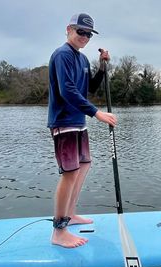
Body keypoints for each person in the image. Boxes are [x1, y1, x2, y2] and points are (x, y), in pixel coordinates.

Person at [47, 13, 116, 248]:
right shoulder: (62, 55)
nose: (85, 37)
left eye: (88, 34)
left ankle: (71, 214)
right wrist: (97, 113)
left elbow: (89, 89)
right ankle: (58, 231)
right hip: (64, 122)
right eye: (81, 32)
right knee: (69, 173)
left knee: (83, 166)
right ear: (69, 29)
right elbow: (67, 91)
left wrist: (102, 67)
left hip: (79, 123)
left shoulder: (83, 59)